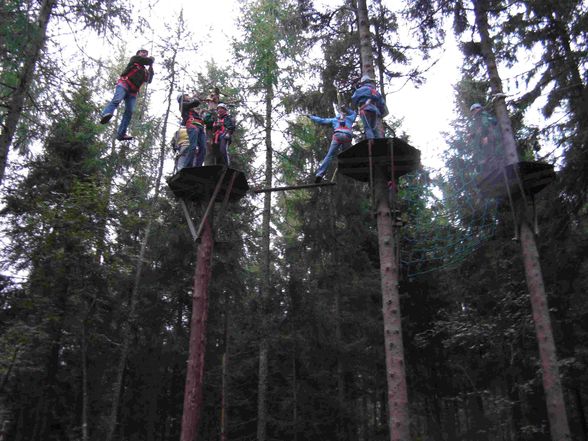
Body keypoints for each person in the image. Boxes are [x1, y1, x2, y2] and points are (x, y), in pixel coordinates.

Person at [100, 49, 155, 141]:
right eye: (142, 52)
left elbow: (149, 80)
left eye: (146, 53)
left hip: (133, 91)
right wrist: (151, 60)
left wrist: (151, 67)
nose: (145, 54)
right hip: (124, 83)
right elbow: (147, 60)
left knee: (130, 111)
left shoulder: (145, 71)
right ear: (138, 54)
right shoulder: (134, 60)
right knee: (117, 99)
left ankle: (121, 134)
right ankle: (105, 114)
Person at [307, 105, 357, 183]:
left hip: (337, 136)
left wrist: (311, 117)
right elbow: (354, 113)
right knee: (346, 155)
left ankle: (320, 174)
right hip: (347, 137)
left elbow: (321, 120)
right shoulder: (350, 119)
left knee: (329, 155)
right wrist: (346, 109)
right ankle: (348, 169)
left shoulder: (334, 120)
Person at [351, 74, 387, 140]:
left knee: (367, 127)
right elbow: (381, 103)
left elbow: (353, 99)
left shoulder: (359, 90)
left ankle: (372, 144)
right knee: (374, 129)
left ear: (362, 83)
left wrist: (356, 108)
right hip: (374, 111)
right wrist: (381, 113)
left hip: (364, 109)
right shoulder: (374, 91)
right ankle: (379, 143)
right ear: (369, 82)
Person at [469, 102, 503, 172]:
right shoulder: (483, 117)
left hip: (490, 137)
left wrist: (485, 136)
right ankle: (493, 165)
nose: (474, 112)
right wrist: (473, 135)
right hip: (492, 138)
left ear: (478, 109)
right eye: (473, 111)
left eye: (475, 109)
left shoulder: (482, 116)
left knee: (490, 153)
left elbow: (486, 125)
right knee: (492, 153)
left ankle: (493, 166)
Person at [177, 93, 206, 169]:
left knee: (203, 148)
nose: (188, 96)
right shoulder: (182, 105)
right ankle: (187, 166)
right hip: (192, 126)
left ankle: (198, 166)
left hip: (200, 127)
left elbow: (196, 103)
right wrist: (194, 97)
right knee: (193, 147)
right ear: (183, 98)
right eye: (187, 95)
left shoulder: (191, 109)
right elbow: (196, 102)